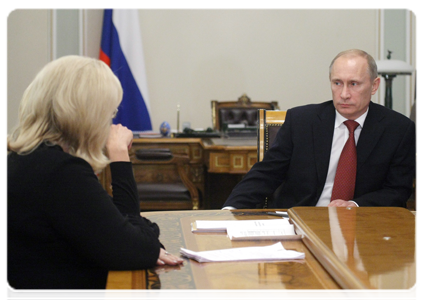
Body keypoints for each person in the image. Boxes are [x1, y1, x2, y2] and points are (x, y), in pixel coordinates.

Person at [5, 56, 183, 300]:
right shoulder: (60, 172)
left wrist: (139, 238)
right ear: (88, 115)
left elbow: (119, 233)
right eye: (109, 113)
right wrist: (120, 155)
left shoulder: (25, 160)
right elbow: (134, 249)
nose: (110, 123)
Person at [223, 49, 415, 209]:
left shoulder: (398, 129)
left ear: (374, 86)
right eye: (337, 83)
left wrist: (355, 205)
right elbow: (265, 174)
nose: (344, 94)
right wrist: (229, 210)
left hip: (362, 226)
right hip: (300, 222)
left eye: (354, 84)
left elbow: (397, 191)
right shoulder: (301, 121)